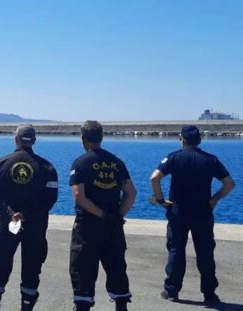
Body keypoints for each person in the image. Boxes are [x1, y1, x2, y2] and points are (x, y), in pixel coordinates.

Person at [150, 125, 235, 305]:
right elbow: (229, 183)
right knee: (205, 252)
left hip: (178, 211)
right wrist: (215, 199)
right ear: (199, 140)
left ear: (182, 139)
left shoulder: (174, 157)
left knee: (176, 249)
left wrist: (160, 200)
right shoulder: (210, 160)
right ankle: (209, 293)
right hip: (203, 211)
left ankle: (171, 290)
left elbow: (154, 178)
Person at [0, 125, 58, 311]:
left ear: (15, 139)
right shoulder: (48, 168)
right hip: (35, 227)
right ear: (33, 140)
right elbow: (50, 199)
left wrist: (12, 214)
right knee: (32, 268)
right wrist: (28, 215)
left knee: (2, 264)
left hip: (9, 225)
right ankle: (27, 307)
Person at [69, 121, 136, 311]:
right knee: (116, 267)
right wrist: (118, 215)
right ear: (101, 137)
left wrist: (102, 215)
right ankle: (121, 305)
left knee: (83, 269)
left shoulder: (80, 163)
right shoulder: (116, 162)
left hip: (88, 227)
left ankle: (83, 306)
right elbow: (131, 192)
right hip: (112, 227)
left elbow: (79, 197)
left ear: (83, 139)